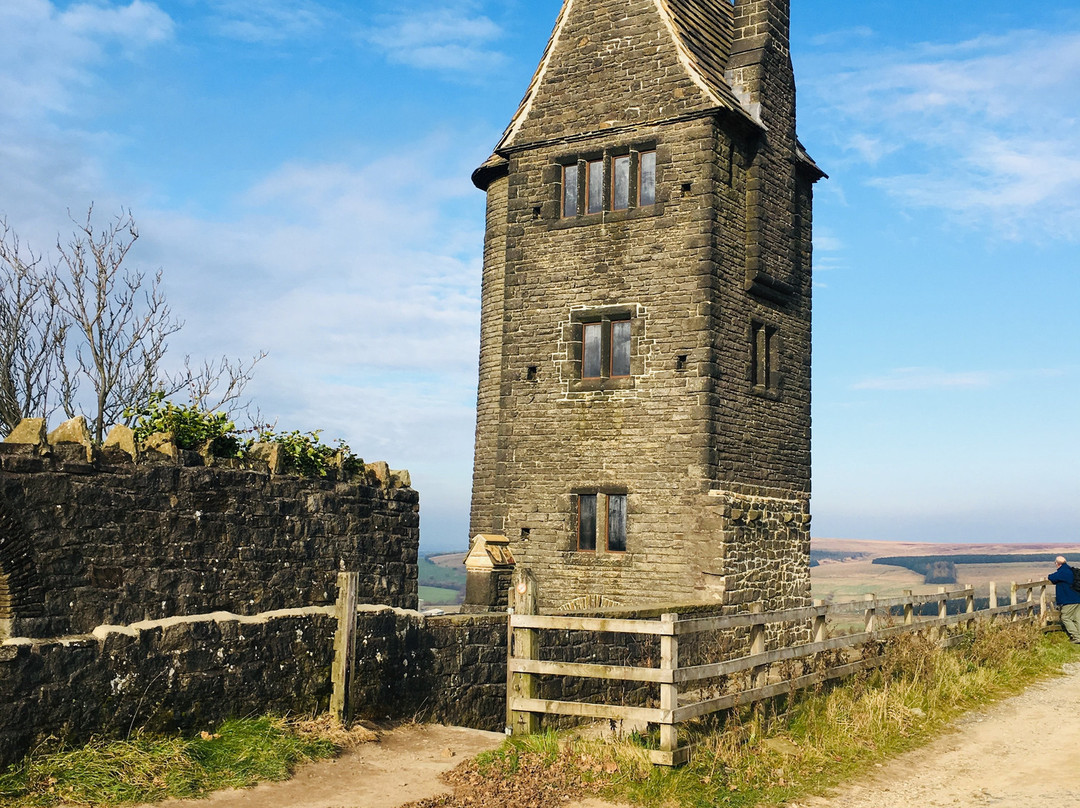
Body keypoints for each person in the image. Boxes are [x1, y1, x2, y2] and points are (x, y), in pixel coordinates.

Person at [1048, 556, 1080, 644]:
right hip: (1077, 598)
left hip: (1069, 599)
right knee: (1077, 618)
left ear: (1057, 564)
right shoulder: (1072, 571)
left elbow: (1051, 577)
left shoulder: (1063, 572)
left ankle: (1076, 637)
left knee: (1065, 617)